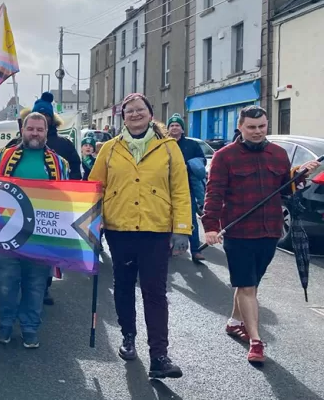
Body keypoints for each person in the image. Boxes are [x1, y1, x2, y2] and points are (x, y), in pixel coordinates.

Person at [202, 105, 320, 365]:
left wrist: (299, 176)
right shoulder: (225, 156)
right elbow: (214, 193)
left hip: (269, 231)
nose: (257, 132)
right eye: (251, 127)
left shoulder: (278, 155)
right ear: (240, 128)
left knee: (250, 284)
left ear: (267, 126)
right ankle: (255, 341)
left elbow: (284, 190)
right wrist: (210, 226)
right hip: (238, 230)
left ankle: (235, 322)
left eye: (262, 127)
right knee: (246, 286)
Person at [89, 93, 190, 379]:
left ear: (150, 113)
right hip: (119, 230)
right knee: (123, 286)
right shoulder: (109, 149)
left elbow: (181, 190)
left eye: (140, 110)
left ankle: (159, 355)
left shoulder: (169, 148)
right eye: (129, 111)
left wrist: (182, 229)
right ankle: (128, 337)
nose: (135, 114)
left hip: (156, 230)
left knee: (155, 292)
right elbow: (94, 188)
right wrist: (90, 228)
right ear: (123, 117)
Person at [0, 112, 71, 349]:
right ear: (22, 130)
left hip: (41, 235)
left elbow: (67, 197)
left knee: (35, 284)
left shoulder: (59, 164)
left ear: (47, 132)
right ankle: (5, 324)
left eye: (40, 129)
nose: (35, 133)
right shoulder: (2, 158)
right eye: (31, 129)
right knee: (6, 282)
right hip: (6, 231)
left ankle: (30, 328)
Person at [8, 92, 83, 305]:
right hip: (16, 213)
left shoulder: (64, 146)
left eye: (44, 118)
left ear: (50, 121)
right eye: (36, 117)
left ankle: (44, 287)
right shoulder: (13, 147)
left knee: (45, 254)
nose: (36, 131)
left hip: (48, 213)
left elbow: (75, 171)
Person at [166, 113, 207, 263]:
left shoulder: (192, 145)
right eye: (172, 125)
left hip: (186, 188)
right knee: (166, 219)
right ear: (168, 129)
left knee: (190, 219)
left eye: (177, 126)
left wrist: (191, 165)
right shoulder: (164, 144)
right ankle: (168, 248)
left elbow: (202, 160)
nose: (175, 128)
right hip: (165, 188)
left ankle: (195, 250)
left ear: (182, 129)